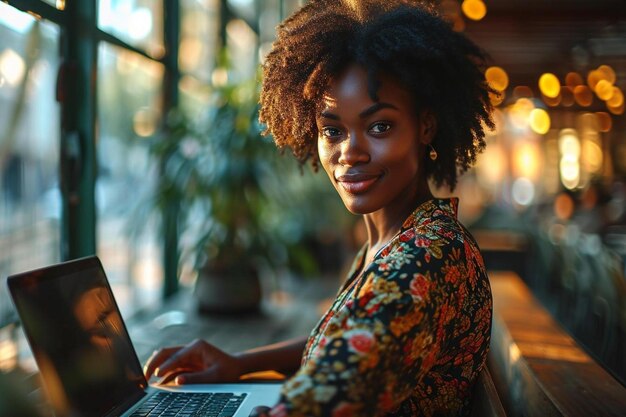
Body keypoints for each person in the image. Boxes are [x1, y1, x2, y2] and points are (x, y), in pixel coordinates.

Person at [144, 0, 494, 415]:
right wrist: (240, 363)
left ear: (426, 126)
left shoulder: (423, 261)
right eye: (332, 130)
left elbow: (337, 388)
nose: (350, 152)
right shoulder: (406, 238)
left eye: (379, 126)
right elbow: (348, 343)